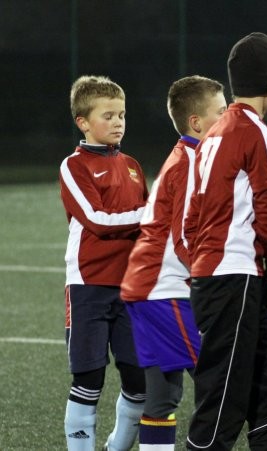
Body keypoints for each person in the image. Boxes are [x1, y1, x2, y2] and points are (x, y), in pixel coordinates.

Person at [183, 32, 267, 450]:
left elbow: (191, 215)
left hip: (215, 274)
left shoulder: (214, 134)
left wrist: (203, 266)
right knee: (222, 404)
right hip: (235, 278)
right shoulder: (255, 132)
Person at [120, 75, 227, 450]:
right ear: (196, 122)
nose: (228, 117)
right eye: (221, 111)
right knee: (221, 380)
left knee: (163, 395)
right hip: (164, 291)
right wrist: (216, 276)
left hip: (148, 288)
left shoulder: (191, 156)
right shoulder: (191, 161)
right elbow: (184, 237)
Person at [60, 75, 148, 451]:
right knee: (89, 380)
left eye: (122, 115)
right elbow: (97, 220)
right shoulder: (74, 166)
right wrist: (151, 215)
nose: (117, 123)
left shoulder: (132, 165)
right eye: (108, 116)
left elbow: (148, 228)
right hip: (89, 285)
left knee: (139, 381)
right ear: (83, 122)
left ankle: (115, 447)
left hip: (131, 288)